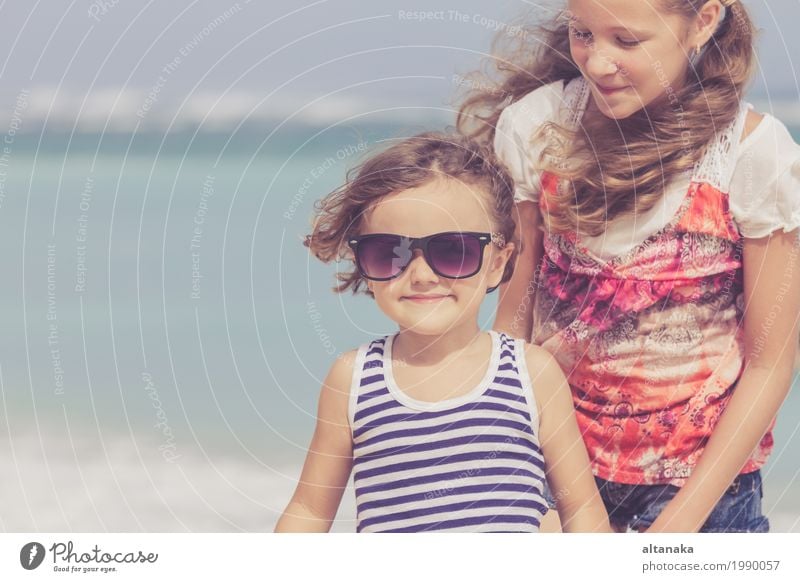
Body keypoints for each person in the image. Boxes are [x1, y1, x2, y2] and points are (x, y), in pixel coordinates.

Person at [458, 0, 800, 532]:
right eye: (582, 34)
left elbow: (769, 364)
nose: (596, 63)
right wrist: (510, 466)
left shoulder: (754, 155)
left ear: (704, 22)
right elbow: (515, 321)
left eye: (628, 41)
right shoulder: (537, 125)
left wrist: (674, 527)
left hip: (702, 494)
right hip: (556, 468)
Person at [274, 133, 610, 532]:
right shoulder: (352, 380)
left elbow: (581, 511)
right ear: (364, 262)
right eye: (390, 253)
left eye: (453, 250)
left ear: (498, 264)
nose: (420, 275)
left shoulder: (531, 373)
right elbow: (310, 511)